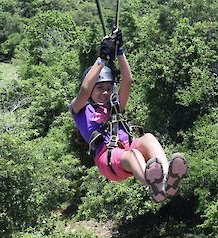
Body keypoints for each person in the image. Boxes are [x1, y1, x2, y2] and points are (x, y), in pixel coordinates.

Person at [69, 30, 188, 203]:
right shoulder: (80, 110)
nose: (105, 93)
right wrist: (101, 60)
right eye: (100, 88)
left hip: (127, 146)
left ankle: (168, 177)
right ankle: (155, 186)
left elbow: (128, 81)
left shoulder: (114, 107)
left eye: (108, 89)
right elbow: (85, 88)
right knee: (133, 155)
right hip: (108, 157)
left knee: (148, 138)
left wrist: (120, 53)